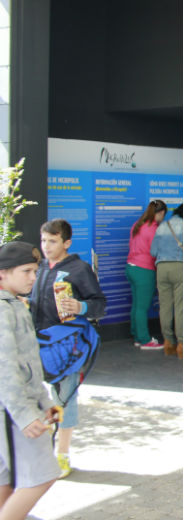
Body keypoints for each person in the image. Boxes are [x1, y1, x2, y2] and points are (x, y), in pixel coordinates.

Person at [30, 219, 106, 479]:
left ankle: (62, 454)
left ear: (67, 243)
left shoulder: (79, 269)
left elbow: (99, 304)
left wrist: (81, 307)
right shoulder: (39, 268)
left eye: (52, 241)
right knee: (42, 399)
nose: (46, 246)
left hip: (66, 346)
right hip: (38, 343)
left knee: (64, 399)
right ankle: (44, 449)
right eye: (43, 240)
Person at [0, 241, 61, 519]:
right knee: (41, 476)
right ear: (3, 273)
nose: (32, 278)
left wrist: (45, 402)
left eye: (35, 272)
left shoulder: (13, 305)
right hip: (12, 414)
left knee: (7, 481)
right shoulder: (4, 310)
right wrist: (25, 414)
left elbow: (28, 365)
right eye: (25, 271)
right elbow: (5, 368)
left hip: (13, 410)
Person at [150, 203, 183, 359]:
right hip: (180, 267)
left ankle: (168, 342)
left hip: (162, 268)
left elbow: (153, 251)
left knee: (164, 306)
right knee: (181, 307)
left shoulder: (162, 227)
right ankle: (182, 345)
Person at [126, 199, 167, 349]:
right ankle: (145, 340)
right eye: (163, 215)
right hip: (144, 269)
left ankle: (137, 335)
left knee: (137, 305)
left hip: (131, 266)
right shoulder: (153, 228)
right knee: (142, 307)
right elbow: (156, 252)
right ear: (160, 213)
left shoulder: (137, 225)